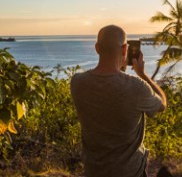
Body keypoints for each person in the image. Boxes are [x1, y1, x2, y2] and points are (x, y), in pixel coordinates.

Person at [71, 24, 167, 177]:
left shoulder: (77, 82)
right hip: (129, 172)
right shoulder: (137, 87)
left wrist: (118, 67)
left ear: (97, 48)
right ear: (124, 50)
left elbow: (109, 87)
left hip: (94, 171)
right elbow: (162, 105)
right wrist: (142, 74)